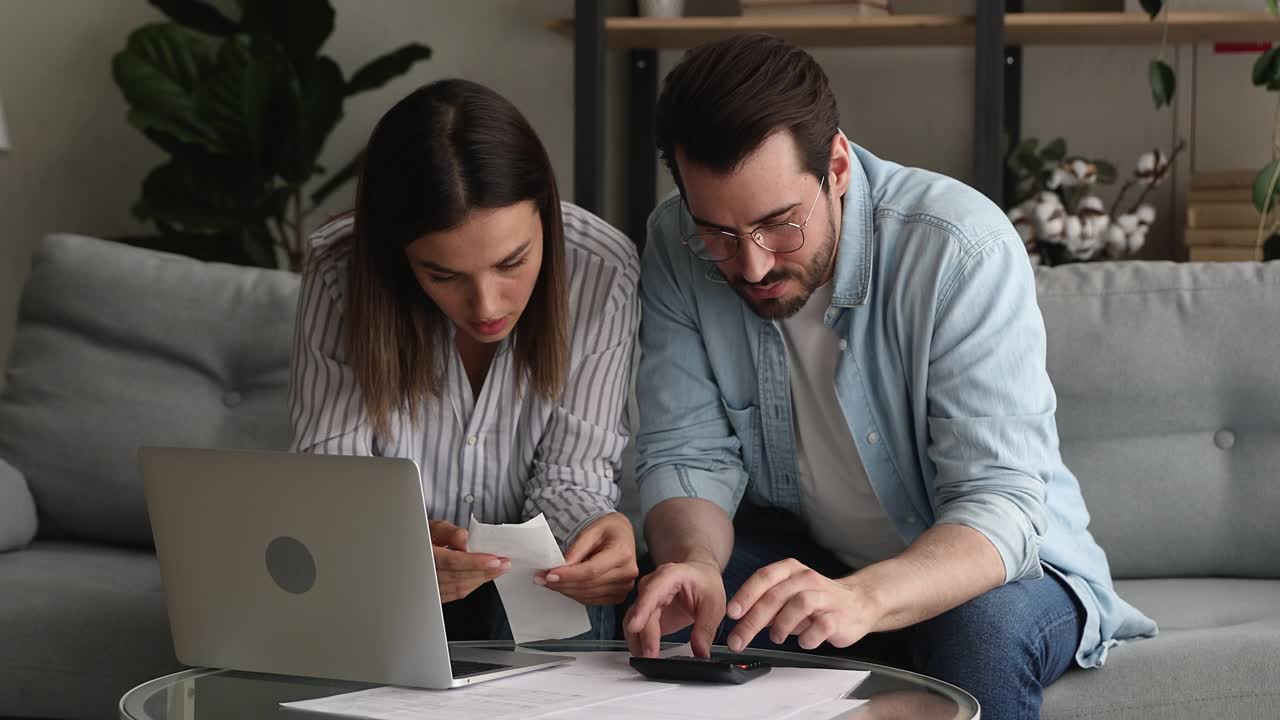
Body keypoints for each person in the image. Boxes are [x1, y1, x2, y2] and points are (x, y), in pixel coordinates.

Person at [624, 34, 1156, 718]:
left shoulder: (961, 250)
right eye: (720, 236)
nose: (751, 266)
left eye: (779, 225)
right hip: (809, 552)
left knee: (980, 640)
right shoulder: (675, 241)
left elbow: (1001, 502)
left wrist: (864, 599)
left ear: (837, 166)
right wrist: (694, 559)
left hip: (995, 569)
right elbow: (687, 456)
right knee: (670, 612)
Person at [289, 79, 640, 641]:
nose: (487, 306)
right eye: (443, 276)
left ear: (545, 214)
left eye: (512, 262)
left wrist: (596, 533)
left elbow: (574, 476)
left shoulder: (600, 269)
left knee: (561, 589)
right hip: (386, 581)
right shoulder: (341, 271)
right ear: (398, 256)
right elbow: (333, 481)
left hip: (530, 580)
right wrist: (396, 552)